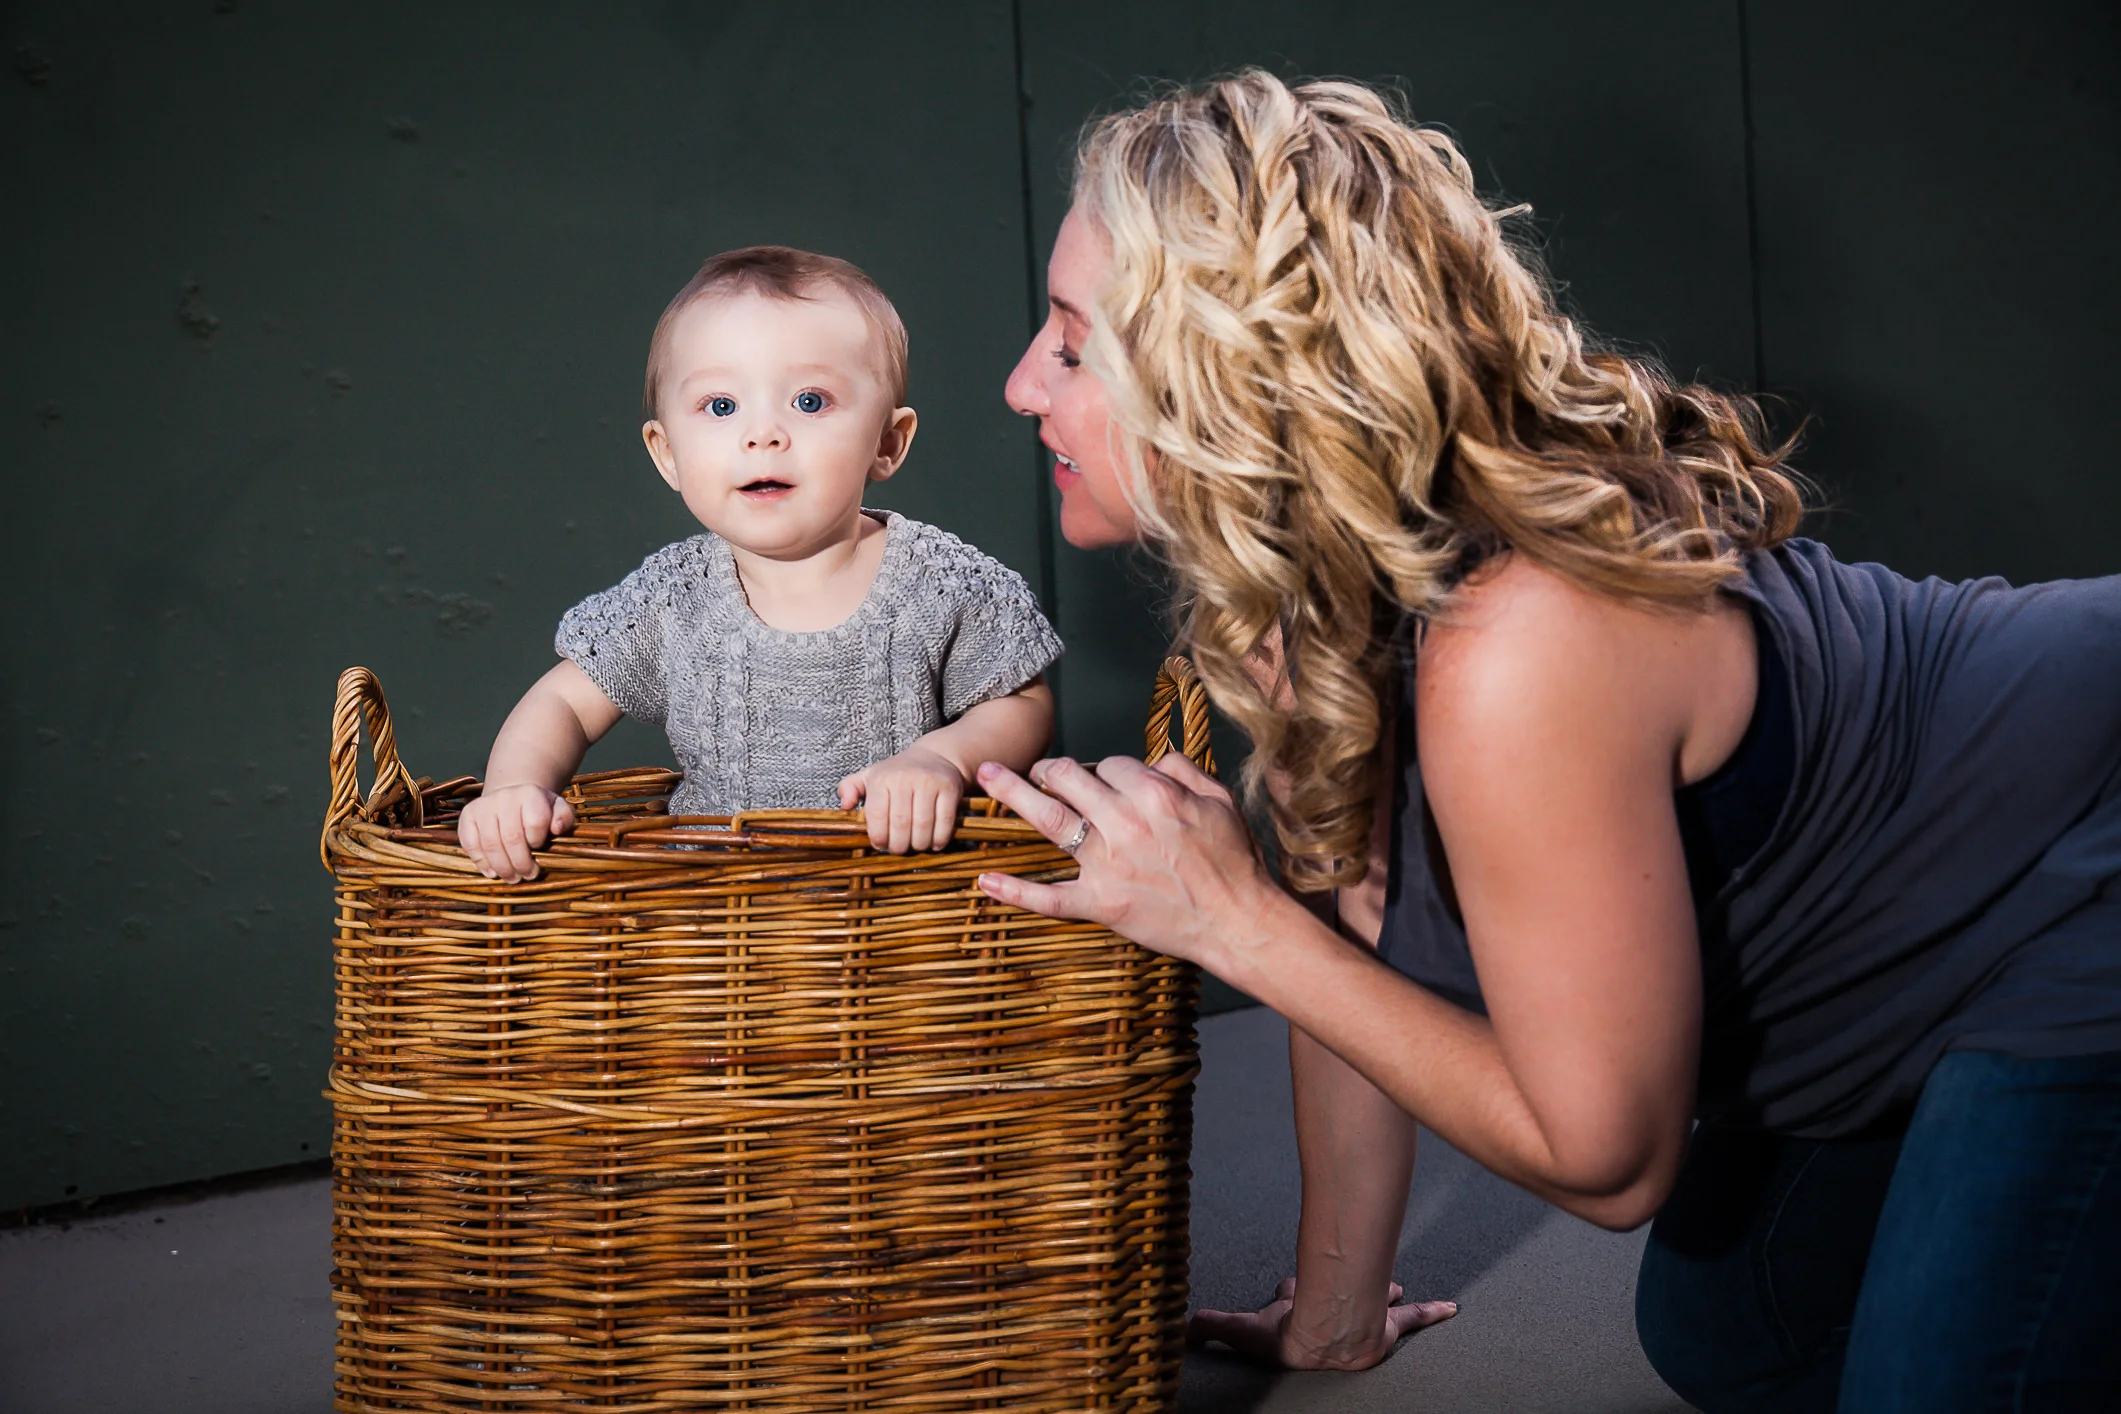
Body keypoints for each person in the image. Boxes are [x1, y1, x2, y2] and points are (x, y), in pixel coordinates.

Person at [977, 71, 2121, 1411]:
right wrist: (1335, 1316)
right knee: (1726, 1336)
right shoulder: (1289, 601)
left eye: (1068, 343)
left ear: (1223, 376)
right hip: (1910, 938)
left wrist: (1231, 920)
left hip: (2079, 869)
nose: (1015, 385)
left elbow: (1606, 1157)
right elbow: (1350, 936)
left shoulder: (1519, 645)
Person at [459, 246, 1061, 880]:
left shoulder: (940, 582)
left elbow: (1021, 703)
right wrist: (511, 790)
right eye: (721, 407)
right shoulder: (673, 596)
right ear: (667, 455)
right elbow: (565, 703)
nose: (763, 434)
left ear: (887, 443)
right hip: (716, 919)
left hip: (900, 918)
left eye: (809, 401)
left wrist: (946, 759)